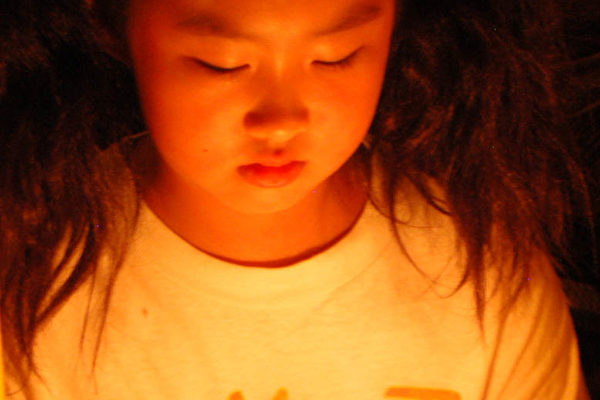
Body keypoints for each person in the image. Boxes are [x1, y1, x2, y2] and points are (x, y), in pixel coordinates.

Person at [0, 0, 594, 398]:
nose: (281, 121)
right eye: (223, 64)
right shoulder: (33, 272)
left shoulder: (482, 263)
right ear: (113, 25)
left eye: (336, 57)